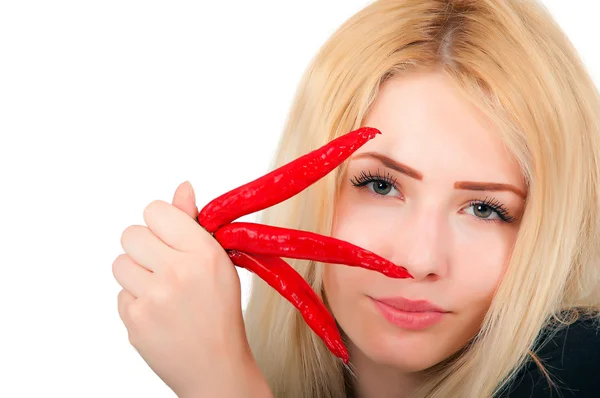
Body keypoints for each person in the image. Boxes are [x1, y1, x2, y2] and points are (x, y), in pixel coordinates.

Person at [113, 0, 600, 397]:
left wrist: (221, 382)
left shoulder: (580, 366)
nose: (418, 259)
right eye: (381, 185)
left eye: (485, 209)